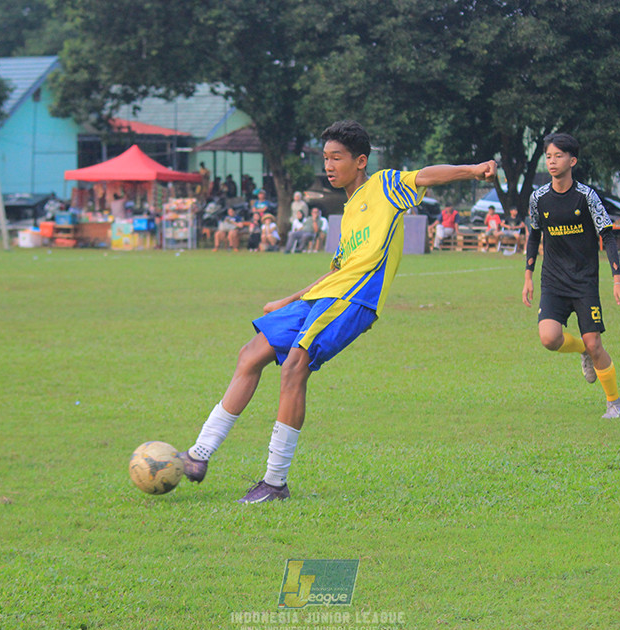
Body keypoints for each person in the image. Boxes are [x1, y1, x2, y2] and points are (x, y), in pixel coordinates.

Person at [176, 120, 497, 503]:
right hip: (326, 295)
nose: (328, 165)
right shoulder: (348, 212)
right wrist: (288, 300)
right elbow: (336, 270)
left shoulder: (384, 185)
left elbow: (427, 175)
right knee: (251, 354)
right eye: (325, 158)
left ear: (361, 161)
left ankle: (274, 483)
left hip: (355, 299)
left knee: (295, 365)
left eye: (336, 158)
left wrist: (474, 169)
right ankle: (199, 455)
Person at [522, 133, 620, 419]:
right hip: (553, 280)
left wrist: (617, 279)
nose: (552, 161)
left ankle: (615, 402)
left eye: (558, 156)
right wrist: (528, 275)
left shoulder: (586, 196)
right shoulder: (538, 198)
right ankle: (581, 348)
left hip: (584, 280)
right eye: (548, 156)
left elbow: (607, 235)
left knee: (597, 344)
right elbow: (534, 235)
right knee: (549, 338)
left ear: (572, 160)